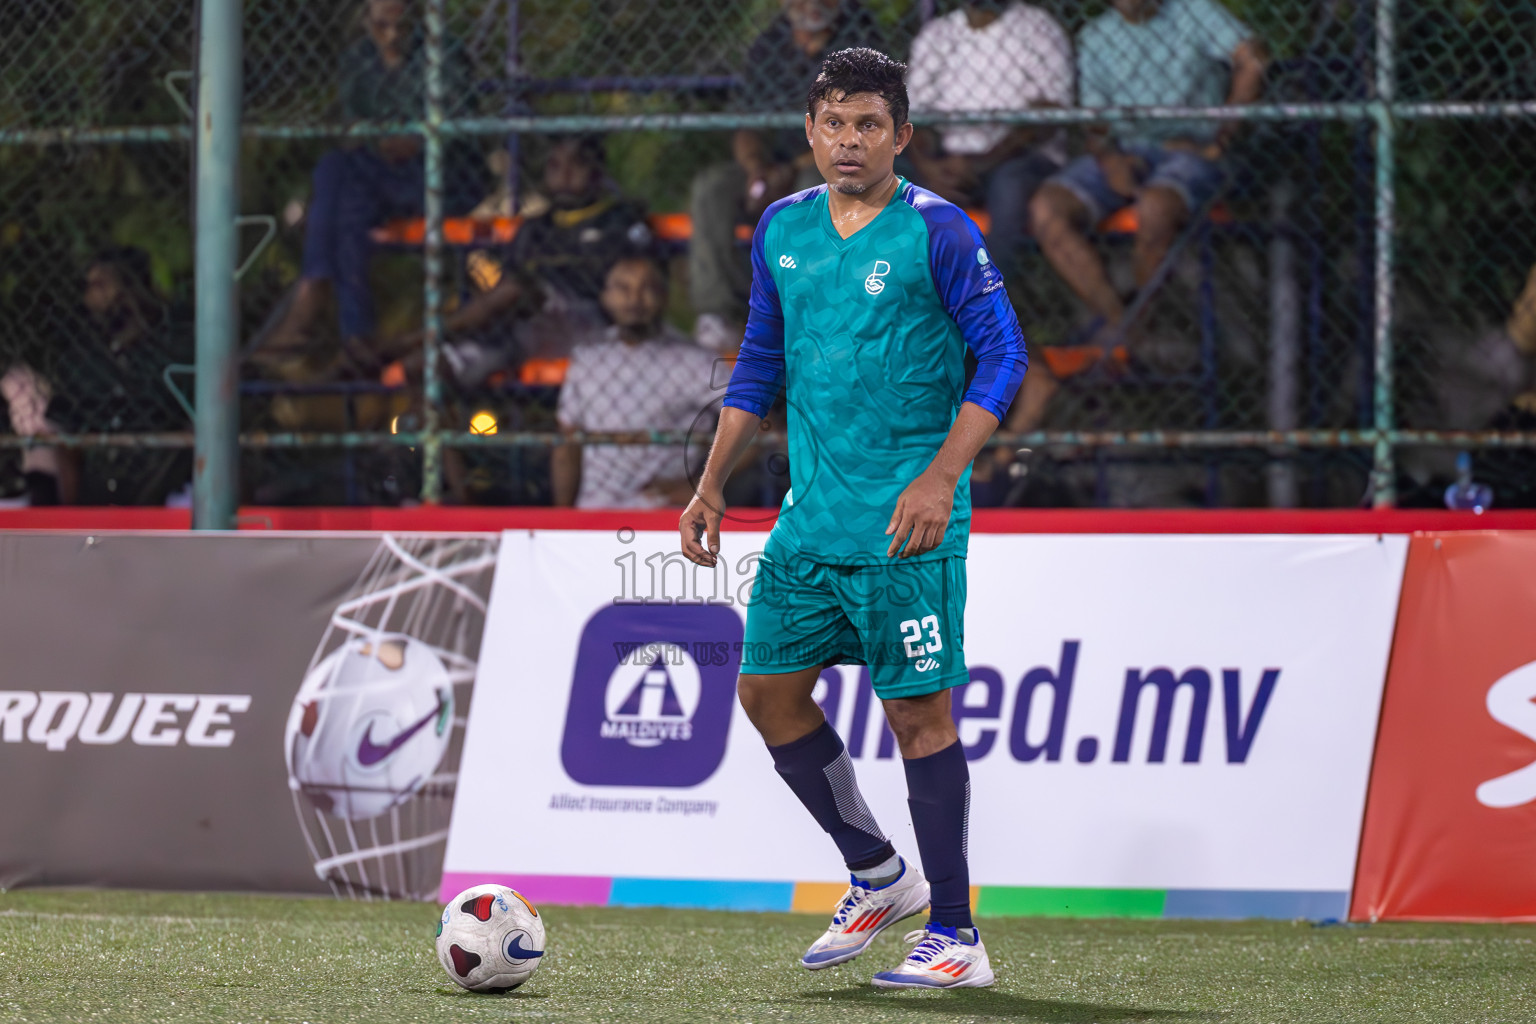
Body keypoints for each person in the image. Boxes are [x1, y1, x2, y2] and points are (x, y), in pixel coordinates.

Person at [679, 48, 1026, 989]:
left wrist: (942, 478)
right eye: (833, 122)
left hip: (908, 525)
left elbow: (1004, 357)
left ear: (901, 136)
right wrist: (713, 482)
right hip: (810, 523)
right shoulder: (782, 230)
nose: (849, 139)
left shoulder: (940, 231)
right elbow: (759, 363)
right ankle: (876, 870)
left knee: (918, 715)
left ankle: (956, 935)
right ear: (809, 131)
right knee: (766, 694)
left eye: (869, 123)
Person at [1020, 0, 1267, 428]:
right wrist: (1109, 157)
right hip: (1127, 150)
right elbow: (1096, 122)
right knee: (1047, 208)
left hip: (1189, 151)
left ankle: (1129, 332)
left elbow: (1253, 58)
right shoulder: (1096, 36)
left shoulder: (1194, 11)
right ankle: (1124, 326)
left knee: (1155, 207)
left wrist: (1222, 135)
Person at [259, 0, 468, 369]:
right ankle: (350, 328)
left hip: (435, 170)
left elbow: (455, 118)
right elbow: (353, 123)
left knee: (344, 191)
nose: (389, 36)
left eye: (399, 27)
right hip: (376, 167)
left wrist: (414, 138)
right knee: (338, 177)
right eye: (380, 26)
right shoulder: (358, 58)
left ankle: (319, 297)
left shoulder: (444, 53)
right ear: (367, 21)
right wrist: (378, 140)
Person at [690, 0, 887, 353]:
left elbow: (851, 130)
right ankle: (716, 313)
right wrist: (755, 169)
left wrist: (789, 169)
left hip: (843, 159)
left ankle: (807, 310)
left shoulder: (861, 41)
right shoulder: (770, 43)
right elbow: (747, 122)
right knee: (712, 188)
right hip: (774, 161)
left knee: (811, 184)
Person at [390, 135, 652, 387]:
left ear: (597, 171)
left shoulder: (620, 219)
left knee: (522, 290)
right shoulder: (536, 226)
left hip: (591, 325)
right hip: (524, 326)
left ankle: (414, 339)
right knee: (422, 367)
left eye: (577, 164)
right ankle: (429, 413)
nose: (565, 175)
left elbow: (629, 284)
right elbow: (506, 278)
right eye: (555, 166)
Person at [905, 0, 1074, 282]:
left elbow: (1047, 117)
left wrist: (981, 163)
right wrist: (929, 169)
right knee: (888, 182)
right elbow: (910, 116)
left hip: (1019, 157)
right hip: (950, 160)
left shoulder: (1037, 28)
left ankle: (986, 309)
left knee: (1010, 187)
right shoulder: (938, 34)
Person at [552, 254, 719, 508]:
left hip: (662, 513)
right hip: (594, 509)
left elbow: (756, 424)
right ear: (605, 297)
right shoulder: (587, 357)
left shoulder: (696, 361)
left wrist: (702, 485)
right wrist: (562, 520)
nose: (634, 299)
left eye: (647, 288)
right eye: (623, 288)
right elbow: (568, 446)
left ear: (664, 296)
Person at [40, 248, 191, 505]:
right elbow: (64, 433)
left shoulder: (173, 349)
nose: (91, 296)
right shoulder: (83, 357)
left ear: (132, 287)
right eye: (88, 286)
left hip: (165, 490)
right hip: (96, 491)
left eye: (101, 285)